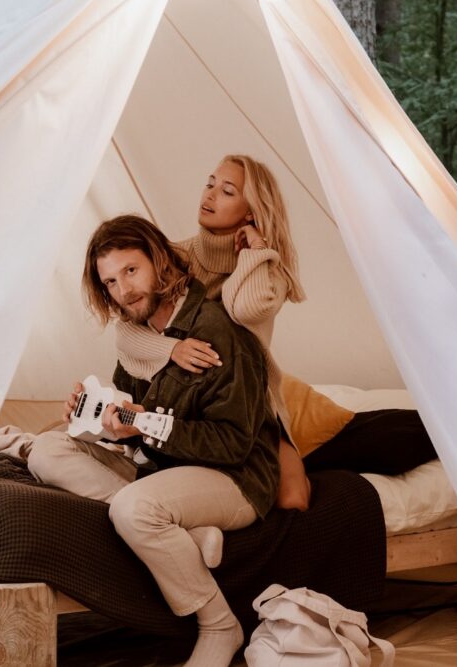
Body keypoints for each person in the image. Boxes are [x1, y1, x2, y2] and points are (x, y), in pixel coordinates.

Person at [27, 215, 280, 667]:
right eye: (110, 282)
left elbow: (233, 444)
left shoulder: (215, 329)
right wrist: (97, 417)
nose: (123, 290)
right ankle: (180, 532)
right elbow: (132, 424)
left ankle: (219, 623)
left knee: (133, 507)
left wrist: (147, 426)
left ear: (159, 261)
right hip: (163, 472)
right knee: (47, 449)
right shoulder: (137, 338)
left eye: (130, 271)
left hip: (234, 479)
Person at [115, 154, 312, 511]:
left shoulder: (269, 271)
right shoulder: (175, 257)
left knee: (292, 501)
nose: (209, 195)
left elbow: (243, 309)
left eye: (227, 191)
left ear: (251, 210)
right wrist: (171, 349)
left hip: (248, 401)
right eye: (209, 184)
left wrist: (254, 253)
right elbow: (125, 333)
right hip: (186, 396)